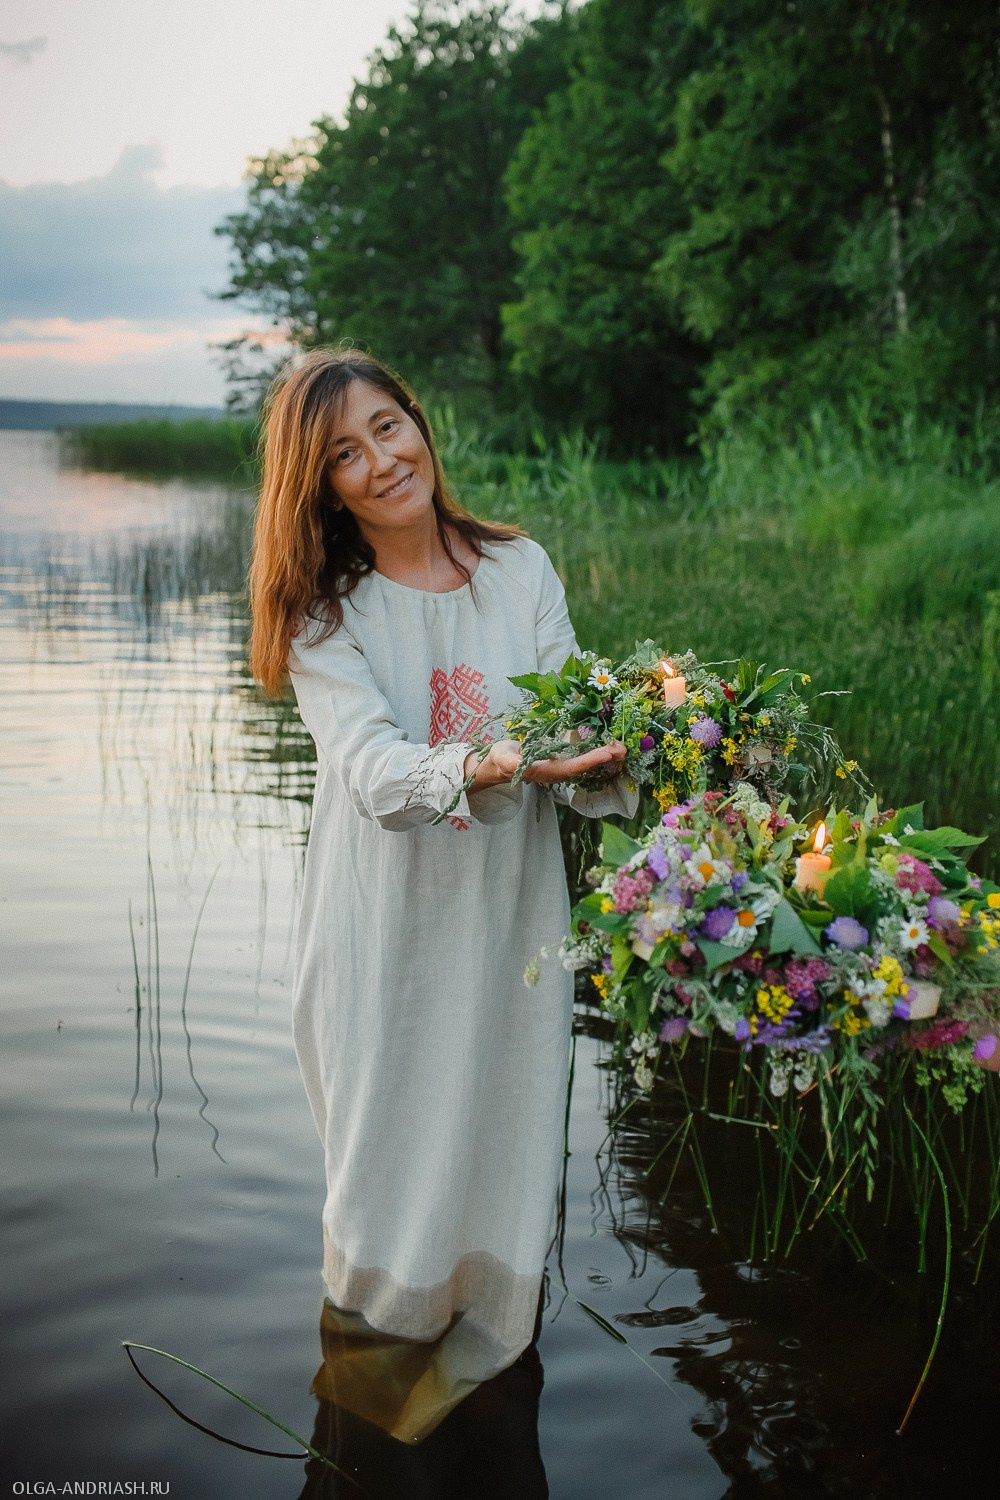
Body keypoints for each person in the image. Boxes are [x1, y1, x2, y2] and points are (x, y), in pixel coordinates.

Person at [249, 349, 636, 1433]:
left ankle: (476, 1387)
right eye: (342, 453)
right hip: (385, 941)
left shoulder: (520, 569)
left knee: (499, 1144)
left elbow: (576, 718)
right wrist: (499, 763)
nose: (380, 461)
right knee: (387, 1179)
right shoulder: (326, 611)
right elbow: (371, 772)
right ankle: (370, 1421)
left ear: (420, 424)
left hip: (509, 931)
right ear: (317, 485)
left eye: (388, 426)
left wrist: (652, 748)